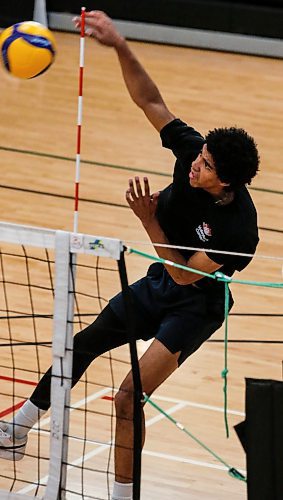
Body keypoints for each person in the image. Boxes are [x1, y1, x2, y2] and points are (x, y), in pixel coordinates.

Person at [0, 11, 260, 500]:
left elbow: (186, 278)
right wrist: (119, 43)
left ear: (227, 181)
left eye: (205, 167)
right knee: (82, 343)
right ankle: (18, 428)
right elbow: (149, 99)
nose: (194, 166)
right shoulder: (192, 154)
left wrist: (147, 218)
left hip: (195, 306)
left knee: (126, 398)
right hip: (159, 281)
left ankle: (121, 496)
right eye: (198, 156)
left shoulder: (238, 231)